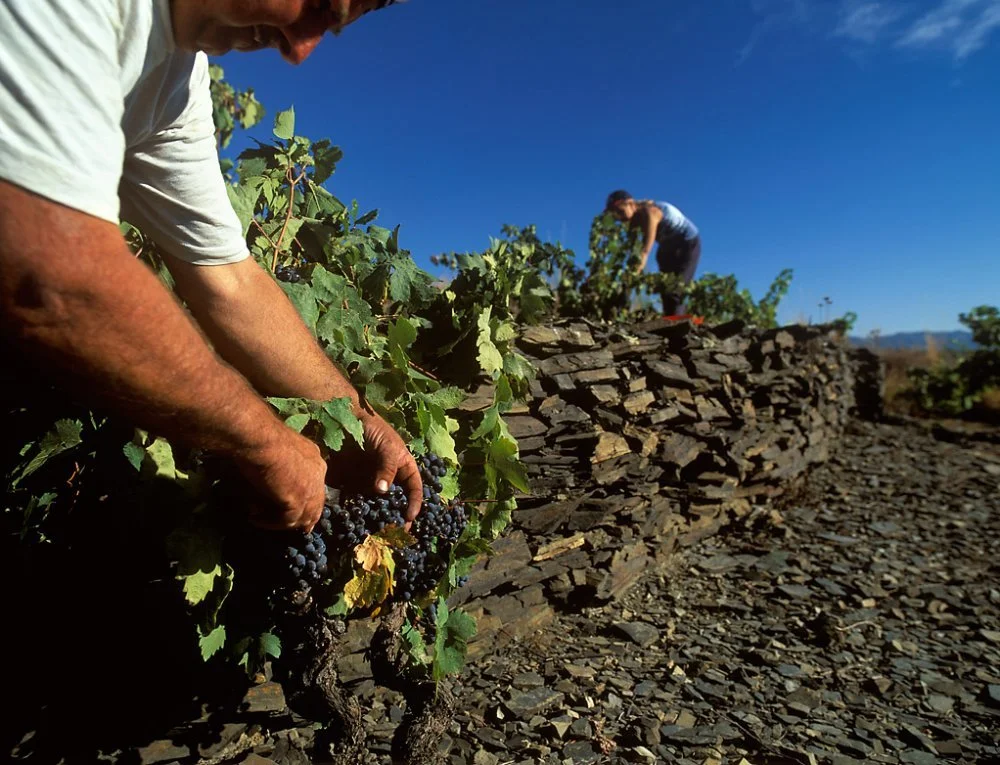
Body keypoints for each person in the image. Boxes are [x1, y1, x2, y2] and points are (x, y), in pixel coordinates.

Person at [0, 0, 419, 534]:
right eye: (316, 6)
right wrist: (262, 440)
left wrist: (359, 421)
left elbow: (230, 282)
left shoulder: (175, 80)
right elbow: (51, 277)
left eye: (328, 29)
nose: (301, 48)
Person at [605, 190, 702, 316]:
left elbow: (644, 251)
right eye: (615, 216)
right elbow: (632, 253)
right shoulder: (634, 221)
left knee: (676, 289)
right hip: (667, 247)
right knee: (665, 288)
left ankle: (678, 325)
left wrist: (630, 281)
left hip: (687, 244)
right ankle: (669, 320)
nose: (619, 218)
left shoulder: (651, 213)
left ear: (630, 203)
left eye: (620, 212)